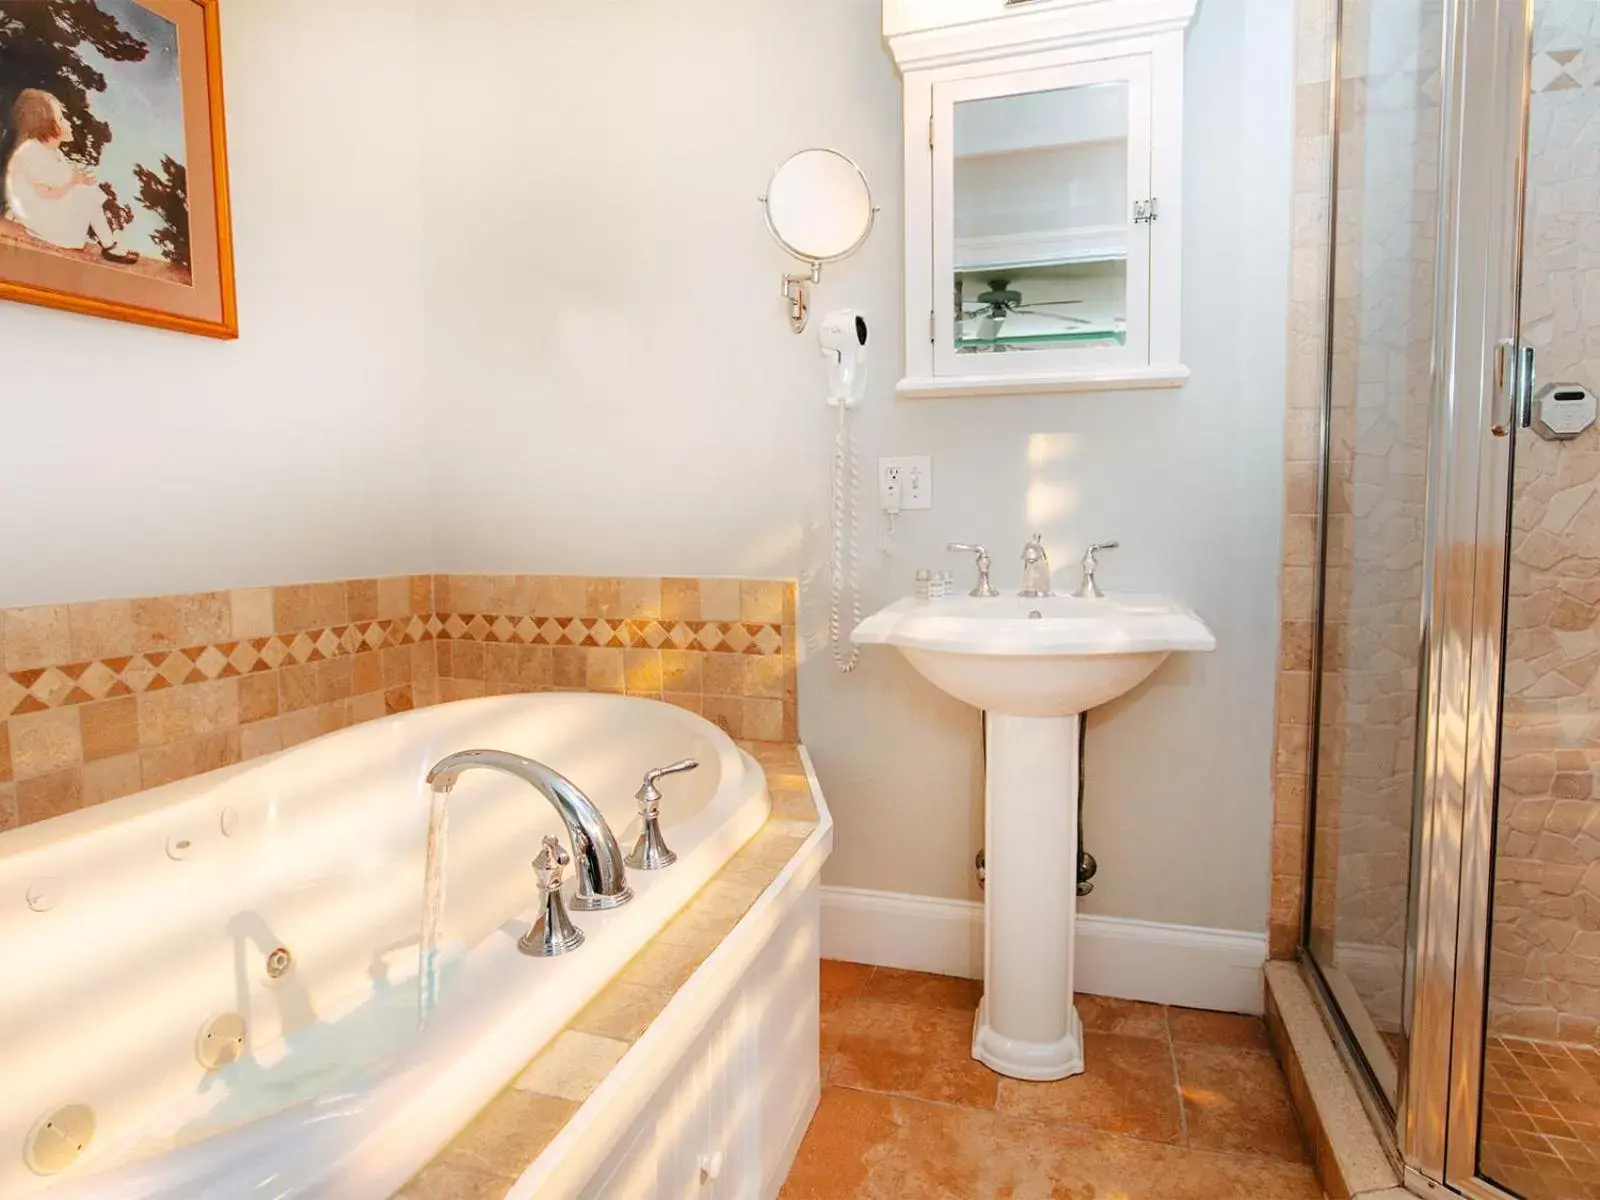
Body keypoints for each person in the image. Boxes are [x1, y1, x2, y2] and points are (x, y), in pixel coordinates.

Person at [3, 88, 138, 264]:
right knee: (86, 192)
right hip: (38, 221)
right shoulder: (32, 152)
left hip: (44, 214)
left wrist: (77, 181)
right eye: (60, 119)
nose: (68, 123)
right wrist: (74, 182)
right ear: (45, 126)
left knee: (87, 190)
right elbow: (45, 193)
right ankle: (109, 245)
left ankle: (109, 244)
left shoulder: (55, 153)